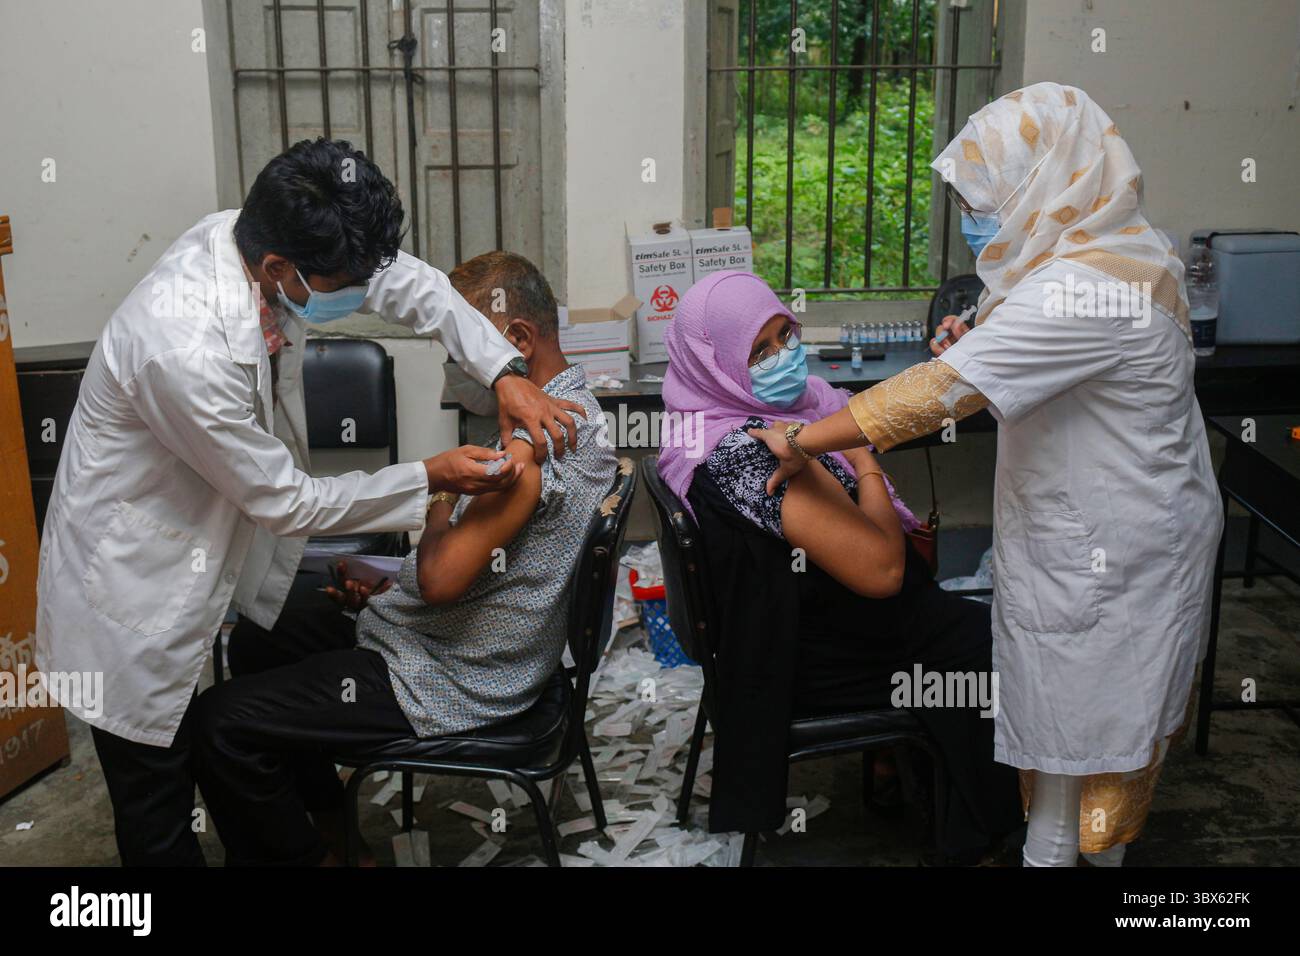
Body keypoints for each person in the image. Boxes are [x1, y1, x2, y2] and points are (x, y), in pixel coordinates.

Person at [34, 139, 586, 866]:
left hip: (209, 541)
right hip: (131, 579)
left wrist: (505, 371)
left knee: (249, 673)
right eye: (347, 281)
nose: (363, 292)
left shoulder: (269, 244)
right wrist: (433, 478)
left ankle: (313, 836)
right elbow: (288, 504)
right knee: (155, 800)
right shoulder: (183, 346)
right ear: (278, 270)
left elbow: (414, 286)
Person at [747, 82, 1221, 866]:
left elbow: (939, 394)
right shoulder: (1126, 247)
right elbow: (1033, 338)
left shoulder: (1084, 290)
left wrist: (803, 439)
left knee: (1093, 748)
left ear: (1042, 182)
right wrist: (981, 328)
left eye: (983, 199)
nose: (975, 219)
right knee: (1072, 744)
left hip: (1115, 550)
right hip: (1108, 530)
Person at [191, 251, 617, 866]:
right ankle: (331, 826)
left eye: (461, 346)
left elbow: (443, 578)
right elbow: (492, 565)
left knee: (218, 723)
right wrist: (395, 586)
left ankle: (311, 857)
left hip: (452, 677)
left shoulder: (533, 447)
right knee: (261, 638)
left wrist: (441, 489)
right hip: (471, 644)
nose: (453, 367)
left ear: (516, 338)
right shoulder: (577, 411)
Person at [658, 270, 1022, 863]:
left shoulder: (724, 420)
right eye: (760, 351)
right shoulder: (754, 451)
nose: (785, 357)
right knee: (995, 644)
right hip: (811, 654)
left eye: (786, 336)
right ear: (715, 363)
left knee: (979, 624)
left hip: (808, 617)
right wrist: (859, 453)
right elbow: (882, 571)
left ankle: (911, 777)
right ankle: (978, 832)